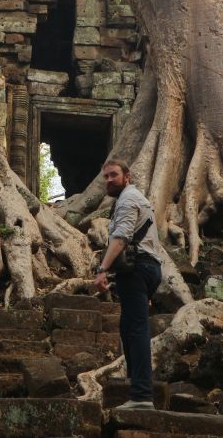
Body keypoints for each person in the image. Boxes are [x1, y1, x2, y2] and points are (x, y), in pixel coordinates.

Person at [93, 159, 163, 411]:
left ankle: (142, 396)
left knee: (136, 330)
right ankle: (136, 386)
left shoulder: (127, 199)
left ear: (127, 176)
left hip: (137, 270)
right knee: (128, 328)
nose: (109, 180)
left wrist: (102, 270)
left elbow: (121, 237)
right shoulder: (132, 198)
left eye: (114, 175)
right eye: (106, 176)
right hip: (146, 269)